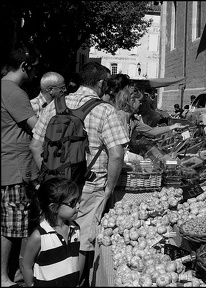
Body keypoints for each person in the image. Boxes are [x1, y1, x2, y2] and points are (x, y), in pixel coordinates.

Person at [30, 62, 129, 286]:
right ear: (101, 83)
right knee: (82, 240)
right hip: (89, 185)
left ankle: (46, 277)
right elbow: (116, 154)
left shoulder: (55, 104)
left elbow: (35, 147)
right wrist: (109, 189)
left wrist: (50, 178)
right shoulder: (104, 109)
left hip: (56, 185)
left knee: (51, 234)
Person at [1, 43, 40, 287]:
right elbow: (37, 127)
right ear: (25, 66)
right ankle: (3, 277)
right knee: (10, 227)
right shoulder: (14, 92)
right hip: (15, 167)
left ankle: (11, 272)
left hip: (10, 164)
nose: (35, 73)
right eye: (34, 68)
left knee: (13, 226)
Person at [22, 178, 81, 287]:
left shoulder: (75, 229)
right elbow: (26, 266)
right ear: (54, 207)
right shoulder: (39, 236)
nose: (78, 206)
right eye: (73, 202)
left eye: (79, 200)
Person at [115, 88, 186, 138]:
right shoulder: (119, 116)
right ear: (131, 101)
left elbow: (152, 131)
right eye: (139, 101)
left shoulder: (133, 120)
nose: (141, 104)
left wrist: (174, 126)